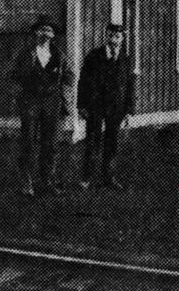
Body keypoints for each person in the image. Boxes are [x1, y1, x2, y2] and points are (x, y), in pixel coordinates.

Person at [8, 16, 72, 198]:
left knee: (50, 143)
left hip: (52, 102)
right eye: (41, 30)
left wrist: (62, 91)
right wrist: (21, 92)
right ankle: (26, 182)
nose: (44, 34)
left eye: (48, 30)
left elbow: (69, 75)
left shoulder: (58, 55)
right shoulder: (25, 53)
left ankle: (47, 181)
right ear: (35, 33)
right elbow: (12, 75)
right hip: (31, 101)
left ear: (53, 35)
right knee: (28, 141)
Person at [77, 22, 135, 190]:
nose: (113, 39)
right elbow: (83, 82)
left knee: (112, 142)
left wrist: (129, 110)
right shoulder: (93, 56)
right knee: (93, 141)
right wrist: (81, 105)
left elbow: (130, 85)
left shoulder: (126, 59)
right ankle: (86, 177)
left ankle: (108, 177)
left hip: (116, 107)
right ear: (106, 36)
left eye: (117, 36)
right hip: (96, 105)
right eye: (110, 35)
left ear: (122, 38)